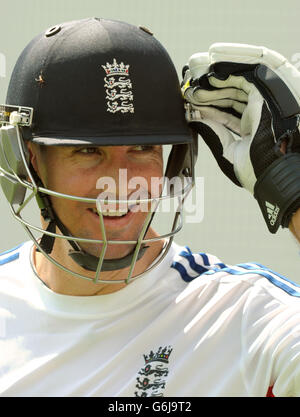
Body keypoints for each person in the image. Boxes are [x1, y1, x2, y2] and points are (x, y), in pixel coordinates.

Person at [1, 17, 300, 398]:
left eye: (143, 148)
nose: (122, 181)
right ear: (31, 162)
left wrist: (293, 190)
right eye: (87, 151)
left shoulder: (244, 316)